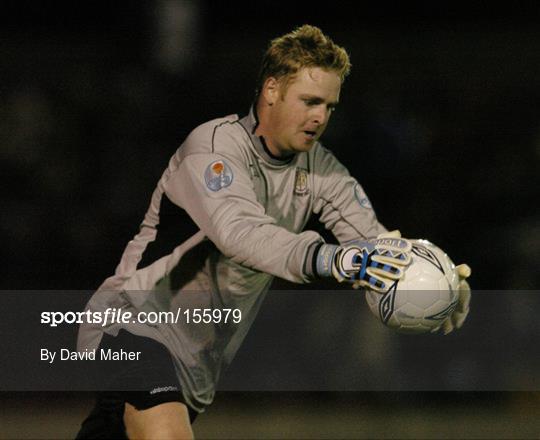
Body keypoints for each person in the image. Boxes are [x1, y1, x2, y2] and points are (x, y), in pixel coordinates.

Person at [76, 24, 471, 439]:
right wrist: (330, 258)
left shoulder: (322, 170)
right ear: (271, 90)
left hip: (195, 363)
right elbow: (241, 234)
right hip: (133, 323)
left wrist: (435, 283)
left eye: (330, 106)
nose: (320, 116)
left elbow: (374, 244)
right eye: (310, 101)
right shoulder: (214, 149)